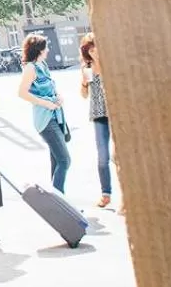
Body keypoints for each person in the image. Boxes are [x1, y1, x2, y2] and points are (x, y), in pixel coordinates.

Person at [19, 33, 72, 193]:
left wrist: (59, 97)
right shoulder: (30, 68)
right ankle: (59, 203)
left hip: (56, 116)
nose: (48, 50)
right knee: (64, 160)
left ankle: (54, 201)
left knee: (56, 160)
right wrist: (46, 104)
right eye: (45, 48)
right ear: (39, 50)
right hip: (45, 119)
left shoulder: (43, 66)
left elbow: (52, 89)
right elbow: (22, 93)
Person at [80, 33, 113, 207]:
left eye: (95, 47)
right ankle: (105, 194)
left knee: (118, 155)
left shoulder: (109, 64)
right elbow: (84, 95)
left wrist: (98, 59)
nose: (93, 51)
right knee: (102, 157)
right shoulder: (86, 67)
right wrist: (84, 84)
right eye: (90, 49)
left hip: (114, 112)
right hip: (98, 114)